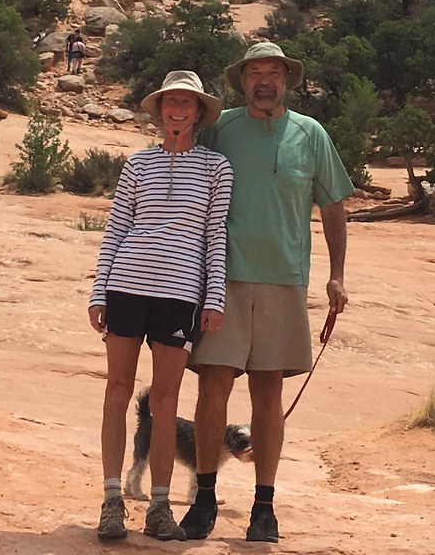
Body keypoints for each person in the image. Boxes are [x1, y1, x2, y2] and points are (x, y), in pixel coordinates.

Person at [180, 42, 353, 544]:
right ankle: (206, 498)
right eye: (255, 72)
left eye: (273, 73)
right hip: (223, 279)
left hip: (284, 280)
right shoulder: (220, 129)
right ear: (242, 81)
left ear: (287, 81)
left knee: (268, 392)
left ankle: (264, 507)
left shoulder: (311, 134)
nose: (264, 80)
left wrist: (337, 274)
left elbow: (334, 207)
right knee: (213, 387)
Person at [88, 70, 233, 542]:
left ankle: (160, 506)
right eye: (170, 102)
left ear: (198, 114)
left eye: (186, 104)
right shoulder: (137, 164)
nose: (177, 110)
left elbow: (215, 237)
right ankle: (112, 501)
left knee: (166, 403)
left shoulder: (216, 168)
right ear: (159, 110)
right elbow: (116, 229)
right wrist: (98, 291)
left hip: (179, 294)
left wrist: (213, 299)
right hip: (128, 286)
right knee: (117, 389)